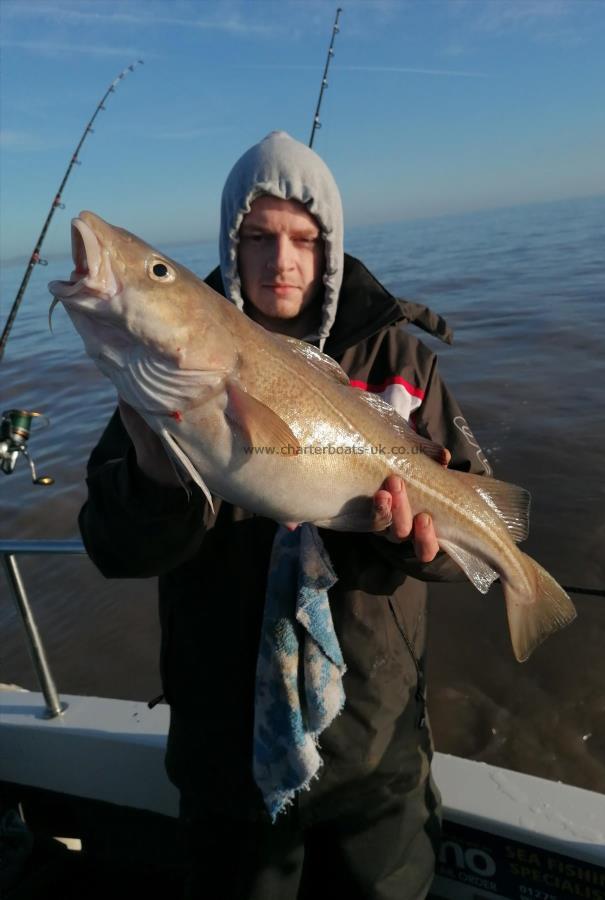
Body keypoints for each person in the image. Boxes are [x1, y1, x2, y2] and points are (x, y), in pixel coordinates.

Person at [79, 131, 490, 900]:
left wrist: (417, 548)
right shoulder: (169, 366)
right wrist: (155, 473)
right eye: (257, 237)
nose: (282, 260)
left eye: (304, 238)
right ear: (230, 245)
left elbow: (465, 506)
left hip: (375, 743)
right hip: (223, 750)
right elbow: (113, 547)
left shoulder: (400, 364)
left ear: (330, 246)